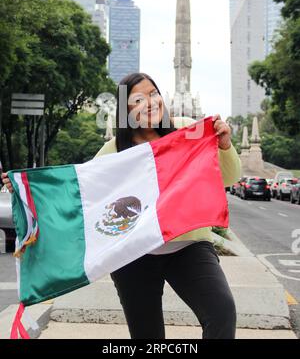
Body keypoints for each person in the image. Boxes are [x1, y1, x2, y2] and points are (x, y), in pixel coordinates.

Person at [2, 72, 242, 339]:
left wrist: (224, 145)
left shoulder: (187, 129)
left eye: (154, 94)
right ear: (126, 110)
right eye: (138, 99)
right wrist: (29, 190)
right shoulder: (113, 151)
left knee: (222, 312)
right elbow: (78, 196)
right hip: (133, 256)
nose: (150, 102)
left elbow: (229, 178)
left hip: (188, 247)